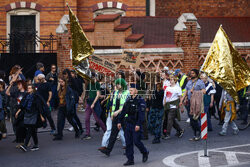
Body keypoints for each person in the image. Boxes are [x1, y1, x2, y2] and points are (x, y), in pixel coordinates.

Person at [117, 84, 149, 166]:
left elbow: (142, 114)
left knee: (137, 141)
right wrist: (119, 121)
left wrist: (138, 124)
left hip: (136, 124)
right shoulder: (128, 100)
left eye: (131, 90)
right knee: (128, 142)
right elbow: (123, 111)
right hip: (128, 124)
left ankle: (145, 152)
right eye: (129, 90)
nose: (130, 91)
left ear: (136, 91)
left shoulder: (140, 100)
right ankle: (130, 160)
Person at [98, 78, 128, 154]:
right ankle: (108, 150)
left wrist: (117, 111)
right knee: (113, 134)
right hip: (116, 116)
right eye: (116, 84)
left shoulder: (127, 93)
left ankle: (128, 149)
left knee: (126, 133)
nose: (116, 85)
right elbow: (114, 105)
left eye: (118, 84)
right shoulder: (116, 93)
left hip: (124, 116)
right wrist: (112, 114)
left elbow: (125, 106)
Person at [180, 69, 206, 141]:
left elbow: (204, 91)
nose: (191, 74)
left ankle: (198, 133)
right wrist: (181, 100)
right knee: (192, 119)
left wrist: (195, 92)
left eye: (193, 73)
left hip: (197, 102)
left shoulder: (200, 82)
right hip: (189, 102)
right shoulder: (189, 82)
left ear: (196, 74)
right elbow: (186, 91)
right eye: (191, 73)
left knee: (194, 118)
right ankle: (196, 133)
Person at [17, 84, 45, 152]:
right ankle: (36, 145)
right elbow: (23, 105)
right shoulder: (26, 96)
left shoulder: (36, 96)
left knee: (30, 129)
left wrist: (41, 116)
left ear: (33, 89)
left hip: (35, 115)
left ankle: (25, 145)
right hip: (28, 114)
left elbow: (39, 107)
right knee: (33, 131)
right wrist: (18, 112)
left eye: (30, 88)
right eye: (28, 88)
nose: (28, 89)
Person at [6, 69, 27, 146]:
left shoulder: (25, 93)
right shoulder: (16, 92)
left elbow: (24, 104)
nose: (18, 85)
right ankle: (20, 141)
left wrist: (18, 75)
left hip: (22, 111)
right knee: (17, 126)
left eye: (19, 84)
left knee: (22, 127)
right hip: (15, 108)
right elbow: (7, 92)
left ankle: (25, 141)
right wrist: (11, 84)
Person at [82, 72, 106, 139]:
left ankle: (106, 131)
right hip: (89, 102)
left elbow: (97, 95)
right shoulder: (88, 84)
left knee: (97, 119)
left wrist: (93, 103)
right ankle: (87, 134)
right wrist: (84, 100)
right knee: (86, 118)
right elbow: (88, 93)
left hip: (94, 103)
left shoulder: (97, 84)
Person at [63, 69, 84, 135]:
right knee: (73, 114)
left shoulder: (74, 80)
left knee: (73, 114)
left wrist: (79, 96)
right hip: (69, 99)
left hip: (74, 99)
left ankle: (78, 127)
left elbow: (79, 89)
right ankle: (78, 127)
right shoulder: (67, 81)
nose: (65, 76)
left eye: (65, 74)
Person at [163, 75, 185, 139]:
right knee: (172, 120)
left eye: (172, 79)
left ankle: (168, 134)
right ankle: (180, 130)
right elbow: (165, 97)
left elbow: (180, 98)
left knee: (170, 120)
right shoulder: (167, 88)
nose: (170, 80)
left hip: (173, 106)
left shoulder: (177, 88)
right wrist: (164, 103)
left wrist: (181, 107)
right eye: (170, 79)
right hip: (167, 106)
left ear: (175, 80)